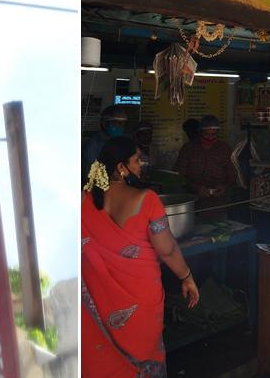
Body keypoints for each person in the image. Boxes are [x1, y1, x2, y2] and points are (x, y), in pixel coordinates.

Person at [81, 137, 199, 375]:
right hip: (141, 298)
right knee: (145, 356)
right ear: (121, 167)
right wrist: (186, 276)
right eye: (136, 160)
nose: (141, 164)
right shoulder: (147, 200)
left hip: (100, 298)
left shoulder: (84, 201)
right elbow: (167, 249)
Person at [175, 115, 245, 201]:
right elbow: (178, 175)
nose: (210, 138)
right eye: (206, 134)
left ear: (218, 133)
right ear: (200, 132)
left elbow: (233, 174)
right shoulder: (188, 149)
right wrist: (195, 188)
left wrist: (224, 186)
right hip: (193, 198)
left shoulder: (225, 149)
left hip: (220, 199)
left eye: (213, 134)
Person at [82, 104, 127, 185]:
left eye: (122, 124)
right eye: (116, 123)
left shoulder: (119, 142)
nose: (120, 127)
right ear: (105, 123)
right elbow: (92, 175)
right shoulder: (93, 145)